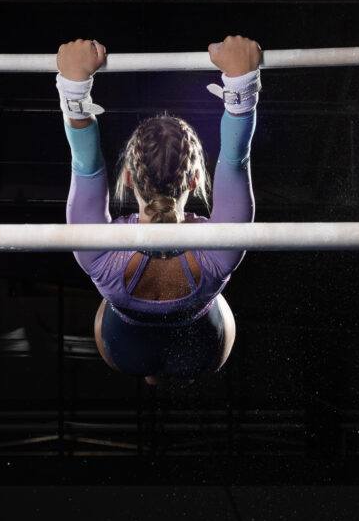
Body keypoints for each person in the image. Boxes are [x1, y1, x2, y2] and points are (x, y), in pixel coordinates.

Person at [57, 35, 261, 384]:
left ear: (128, 178)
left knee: (125, 317)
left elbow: (84, 164)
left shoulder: (99, 253)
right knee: (208, 301)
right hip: (204, 347)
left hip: (123, 347)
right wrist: (241, 80)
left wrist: (75, 86)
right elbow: (236, 159)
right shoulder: (220, 249)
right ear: (196, 179)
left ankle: (153, 361)